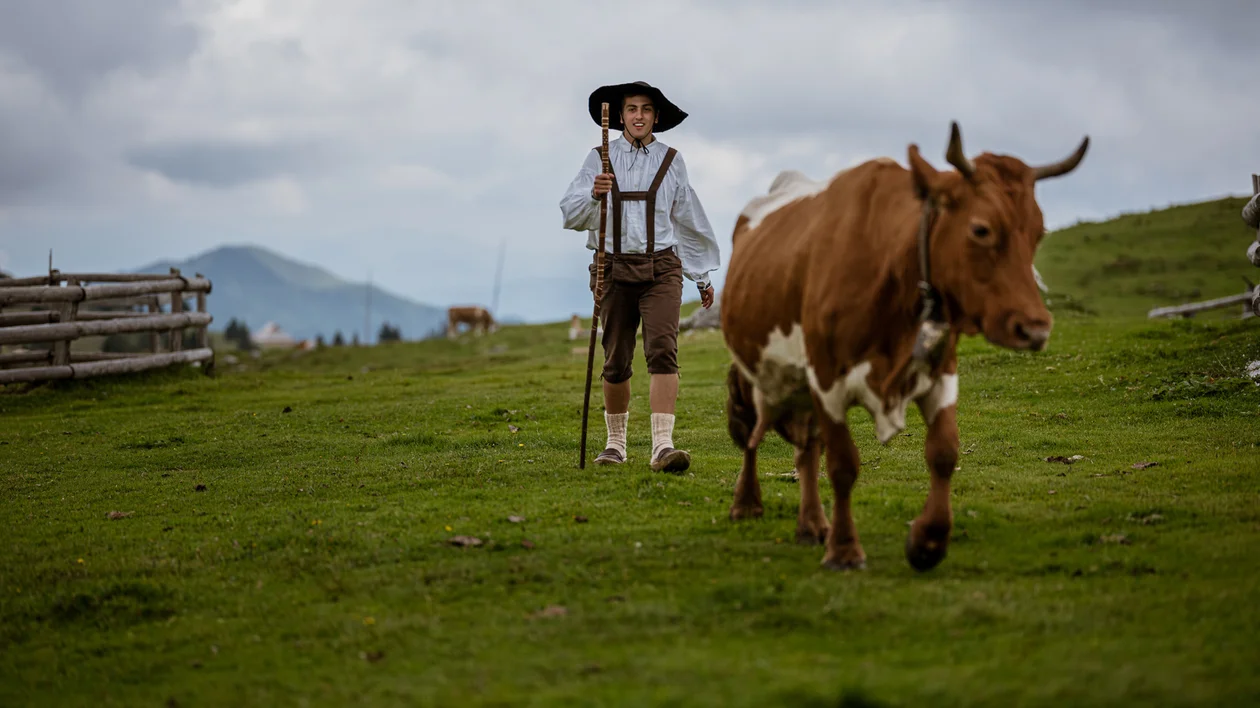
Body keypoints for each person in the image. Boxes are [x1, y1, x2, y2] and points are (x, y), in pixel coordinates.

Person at [560, 81, 721, 472]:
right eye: (631, 109)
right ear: (620, 116)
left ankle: (663, 447)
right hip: (612, 267)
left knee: (663, 350)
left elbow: (687, 220)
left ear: (656, 117)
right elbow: (570, 214)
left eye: (646, 109)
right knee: (615, 359)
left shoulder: (672, 160)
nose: (638, 116)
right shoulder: (598, 159)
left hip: (662, 268)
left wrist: (700, 276)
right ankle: (615, 445)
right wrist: (595, 195)